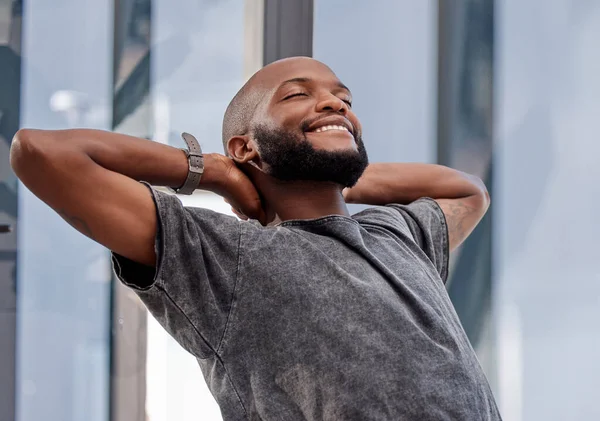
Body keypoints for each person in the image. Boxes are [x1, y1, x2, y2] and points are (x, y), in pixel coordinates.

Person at [10, 56, 501, 420]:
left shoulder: (396, 235)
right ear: (245, 145)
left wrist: (331, 170)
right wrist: (219, 173)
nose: (335, 103)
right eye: (297, 95)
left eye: (344, 100)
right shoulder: (225, 257)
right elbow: (43, 153)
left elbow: (467, 192)